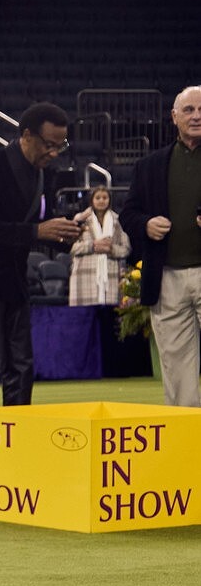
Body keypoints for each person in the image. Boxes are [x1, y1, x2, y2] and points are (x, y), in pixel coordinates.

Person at [0, 102, 83, 408]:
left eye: (60, 146)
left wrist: (70, 234)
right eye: (49, 145)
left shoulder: (45, 173)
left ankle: (18, 438)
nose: (54, 153)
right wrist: (37, 232)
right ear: (26, 136)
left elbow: (39, 223)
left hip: (13, 277)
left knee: (22, 365)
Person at [120, 85, 201, 407]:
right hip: (166, 278)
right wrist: (145, 225)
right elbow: (128, 213)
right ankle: (187, 444)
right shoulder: (150, 165)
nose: (197, 116)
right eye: (189, 110)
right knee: (177, 370)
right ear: (174, 117)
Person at [68, 186, 130, 306]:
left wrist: (111, 249)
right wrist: (92, 246)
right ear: (92, 200)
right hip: (84, 275)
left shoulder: (118, 221)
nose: (101, 201)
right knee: (85, 318)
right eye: (98, 198)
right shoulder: (80, 220)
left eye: (104, 198)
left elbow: (126, 249)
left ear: (109, 200)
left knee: (110, 318)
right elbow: (71, 247)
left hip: (111, 275)